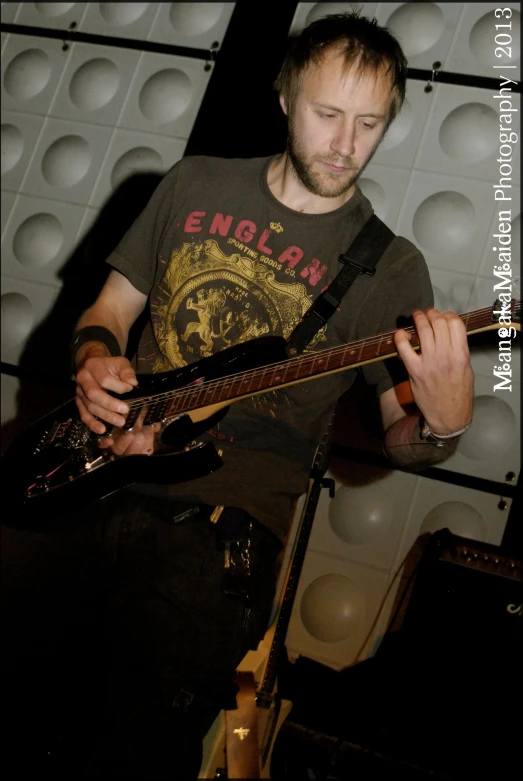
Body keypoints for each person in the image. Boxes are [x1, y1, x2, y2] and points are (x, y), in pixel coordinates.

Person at [2, 11, 474, 781]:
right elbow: (109, 309)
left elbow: (402, 432)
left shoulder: (388, 267)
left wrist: (443, 423)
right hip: (85, 483)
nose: (345, 144)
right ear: (285, 97)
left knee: (131, 747)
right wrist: (95, 361)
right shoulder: (195, 183)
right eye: (327, 115)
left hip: (217, 527)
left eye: (368, 124)